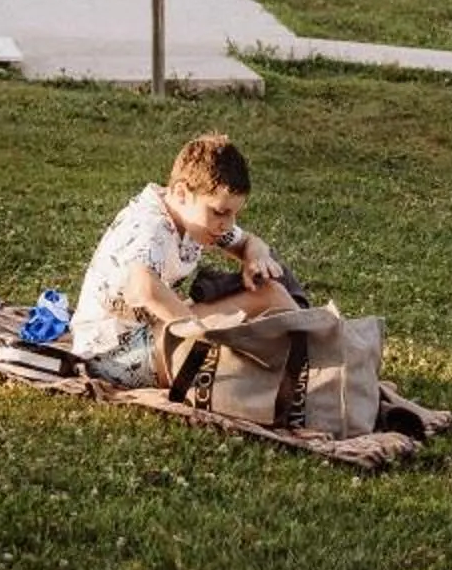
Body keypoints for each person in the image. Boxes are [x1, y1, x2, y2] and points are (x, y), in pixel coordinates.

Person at [71, 133, 305, 390]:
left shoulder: (192, 219)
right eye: (219, 212)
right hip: (111, 356)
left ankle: (311, 357)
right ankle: (318, 361)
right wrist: (201, 331)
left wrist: (255, 256)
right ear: (182, 193)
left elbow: (248, 240)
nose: (227, 224)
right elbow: (143, 288)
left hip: (147, 335)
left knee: (271, 292)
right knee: (268, 300)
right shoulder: (149, 225)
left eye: (234, 214)